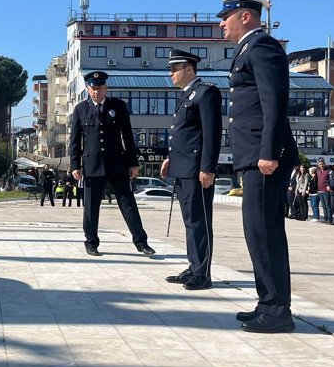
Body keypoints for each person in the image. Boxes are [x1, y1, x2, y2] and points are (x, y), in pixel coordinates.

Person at [217, 0, 297, 333]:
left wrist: (268, 152)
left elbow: (274, 101)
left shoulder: (262, 47)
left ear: (245, 16)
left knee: (265, 233)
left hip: (264, 157)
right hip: (253, 155)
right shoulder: (247, 49)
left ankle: (277, 311)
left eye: (226, 17)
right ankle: (268, 302)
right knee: (257, 232)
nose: (221, 23)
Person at [69, 70, 155, 257]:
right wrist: (75, 165)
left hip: (117, 163)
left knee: (128, 204)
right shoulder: (80, 109)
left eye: (100, 88)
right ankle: (91, 242)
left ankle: (141, 243)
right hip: (92, 165)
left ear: (106, 88)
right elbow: (75, 140)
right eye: (93, 88)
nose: (96, 92)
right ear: (87, 88)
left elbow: (128, 135)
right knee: (91, 208)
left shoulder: (118, 106)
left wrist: (133, 162)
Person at [160, 49, 221, 291]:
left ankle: (203, 273)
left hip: (197, 169)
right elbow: (184, 134)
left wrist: (208, 167)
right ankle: (194, 266)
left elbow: (212, 133)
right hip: (182, 167)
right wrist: (169, 158)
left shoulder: (206, 93)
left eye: (175, 69)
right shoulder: (185, 95)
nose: (171, 73)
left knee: (200, 221)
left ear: (189, 69)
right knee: (189, 221)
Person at [315, 158, 331, 224]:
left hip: (326, 190)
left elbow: (330, 180)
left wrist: (329, 186)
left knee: (328, 205)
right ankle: (325, 218)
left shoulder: (328, 171)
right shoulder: (318, 172)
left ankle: (329, 219)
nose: (321, 165)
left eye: (322, 164)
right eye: (320, 164)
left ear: (324, 164)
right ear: (318, 165)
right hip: (320, 190)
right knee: (323, 206)